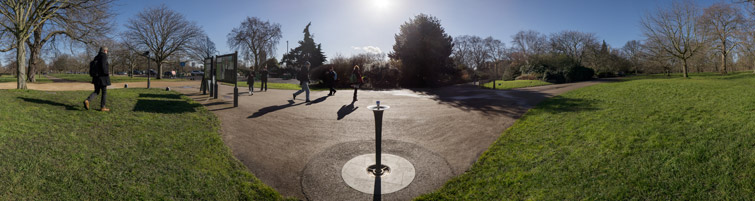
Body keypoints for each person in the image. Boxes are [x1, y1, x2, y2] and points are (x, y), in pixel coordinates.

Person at [83, 47, 111, 111]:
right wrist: (107, 73)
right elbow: (103, 66)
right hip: (102, 77)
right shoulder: (104, 56)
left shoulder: (96, 57)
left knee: (96, 91)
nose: (107, 52)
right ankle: (103, 107)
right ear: (105, 50)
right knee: (104, 92)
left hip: (96, 77)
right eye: (107, 51)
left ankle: (87, 100)